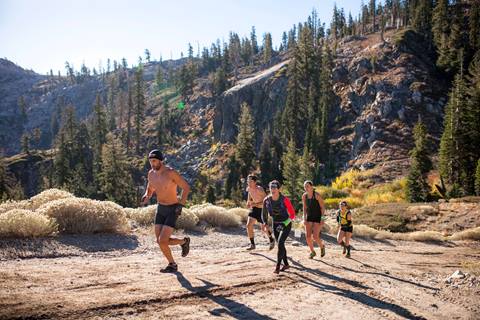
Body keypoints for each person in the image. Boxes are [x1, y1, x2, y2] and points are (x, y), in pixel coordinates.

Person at [142, 149, 191, 273]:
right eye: (150, 161)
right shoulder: (151, 174)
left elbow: (186, 187)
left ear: (160, 161)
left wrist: (181, 205)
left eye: (154, 161)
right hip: (160, 208)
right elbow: (151, 187)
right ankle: (184, 242)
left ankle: (172, 265)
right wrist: (147, 195)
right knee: (160, 241)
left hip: (172, 209)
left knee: (163, 240)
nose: (152, 164)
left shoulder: (170, 173)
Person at [262, 180, 296, 274]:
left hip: (286, 223)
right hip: (275, 223)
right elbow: (264, 214)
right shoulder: (267, 200)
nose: (272, 189)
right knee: (280, 244)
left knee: (280, 242)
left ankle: (277, 266)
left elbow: (293, 215)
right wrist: (265, 223)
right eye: (271, 187)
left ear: (279, 189)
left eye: (274, 187)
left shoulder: (284, 199)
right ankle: (286, 264)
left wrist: (285, 223)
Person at [245, 174, 275, 251]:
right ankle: (252, 244)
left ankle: (271, 240)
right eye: (248, 181)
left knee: (264, 228)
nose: (249, 183)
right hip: (255, 209)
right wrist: (248, 202)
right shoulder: (249, 188)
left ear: (255, 182)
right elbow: (249, 195)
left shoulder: (260, 189)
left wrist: (256, 203)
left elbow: (266, 201)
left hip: (262, 210)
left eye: (250, 181)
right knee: (248, 225)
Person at [302, 180, 326, 259]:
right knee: (308, 237)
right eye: (305, 186)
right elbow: (305, 208)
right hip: (309, 217)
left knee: (315, 237)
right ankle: (312, 252)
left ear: (312, 187)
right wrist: (304, 218)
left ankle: (322, 247)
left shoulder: (316, 195)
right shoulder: (304, 196)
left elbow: (322, 207)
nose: (306, 188)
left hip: (317, 217)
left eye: (307, 186)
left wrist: (322, 219)